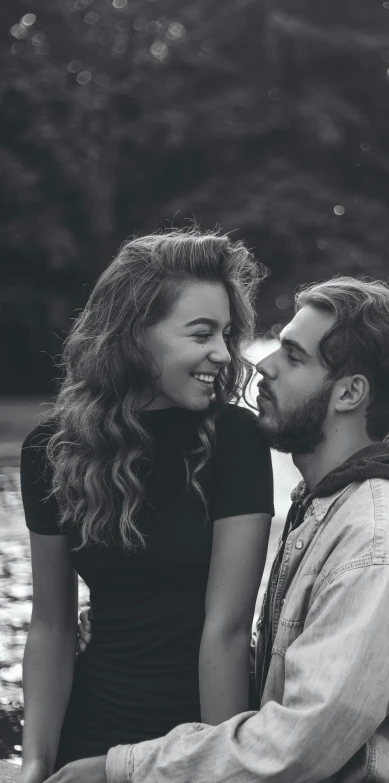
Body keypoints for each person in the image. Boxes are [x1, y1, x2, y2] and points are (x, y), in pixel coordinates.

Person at [48, 277, 389, 783]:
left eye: (293, 356)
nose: (264, 366)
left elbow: (297, 746)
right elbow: (310, 683)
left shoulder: (377, 541)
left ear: (349, 392)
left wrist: (118, 769)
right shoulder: (331, 509)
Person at [19, 229, 274, 783]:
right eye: (201, 333)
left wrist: (216, 766)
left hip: (196, 733)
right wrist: (35, 764)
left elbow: (226, 631)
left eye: (227, 334)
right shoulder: (50, 449)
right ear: (133, 335)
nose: (224, 354)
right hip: (86, 732)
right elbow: (52, 626)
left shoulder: (234, 439)